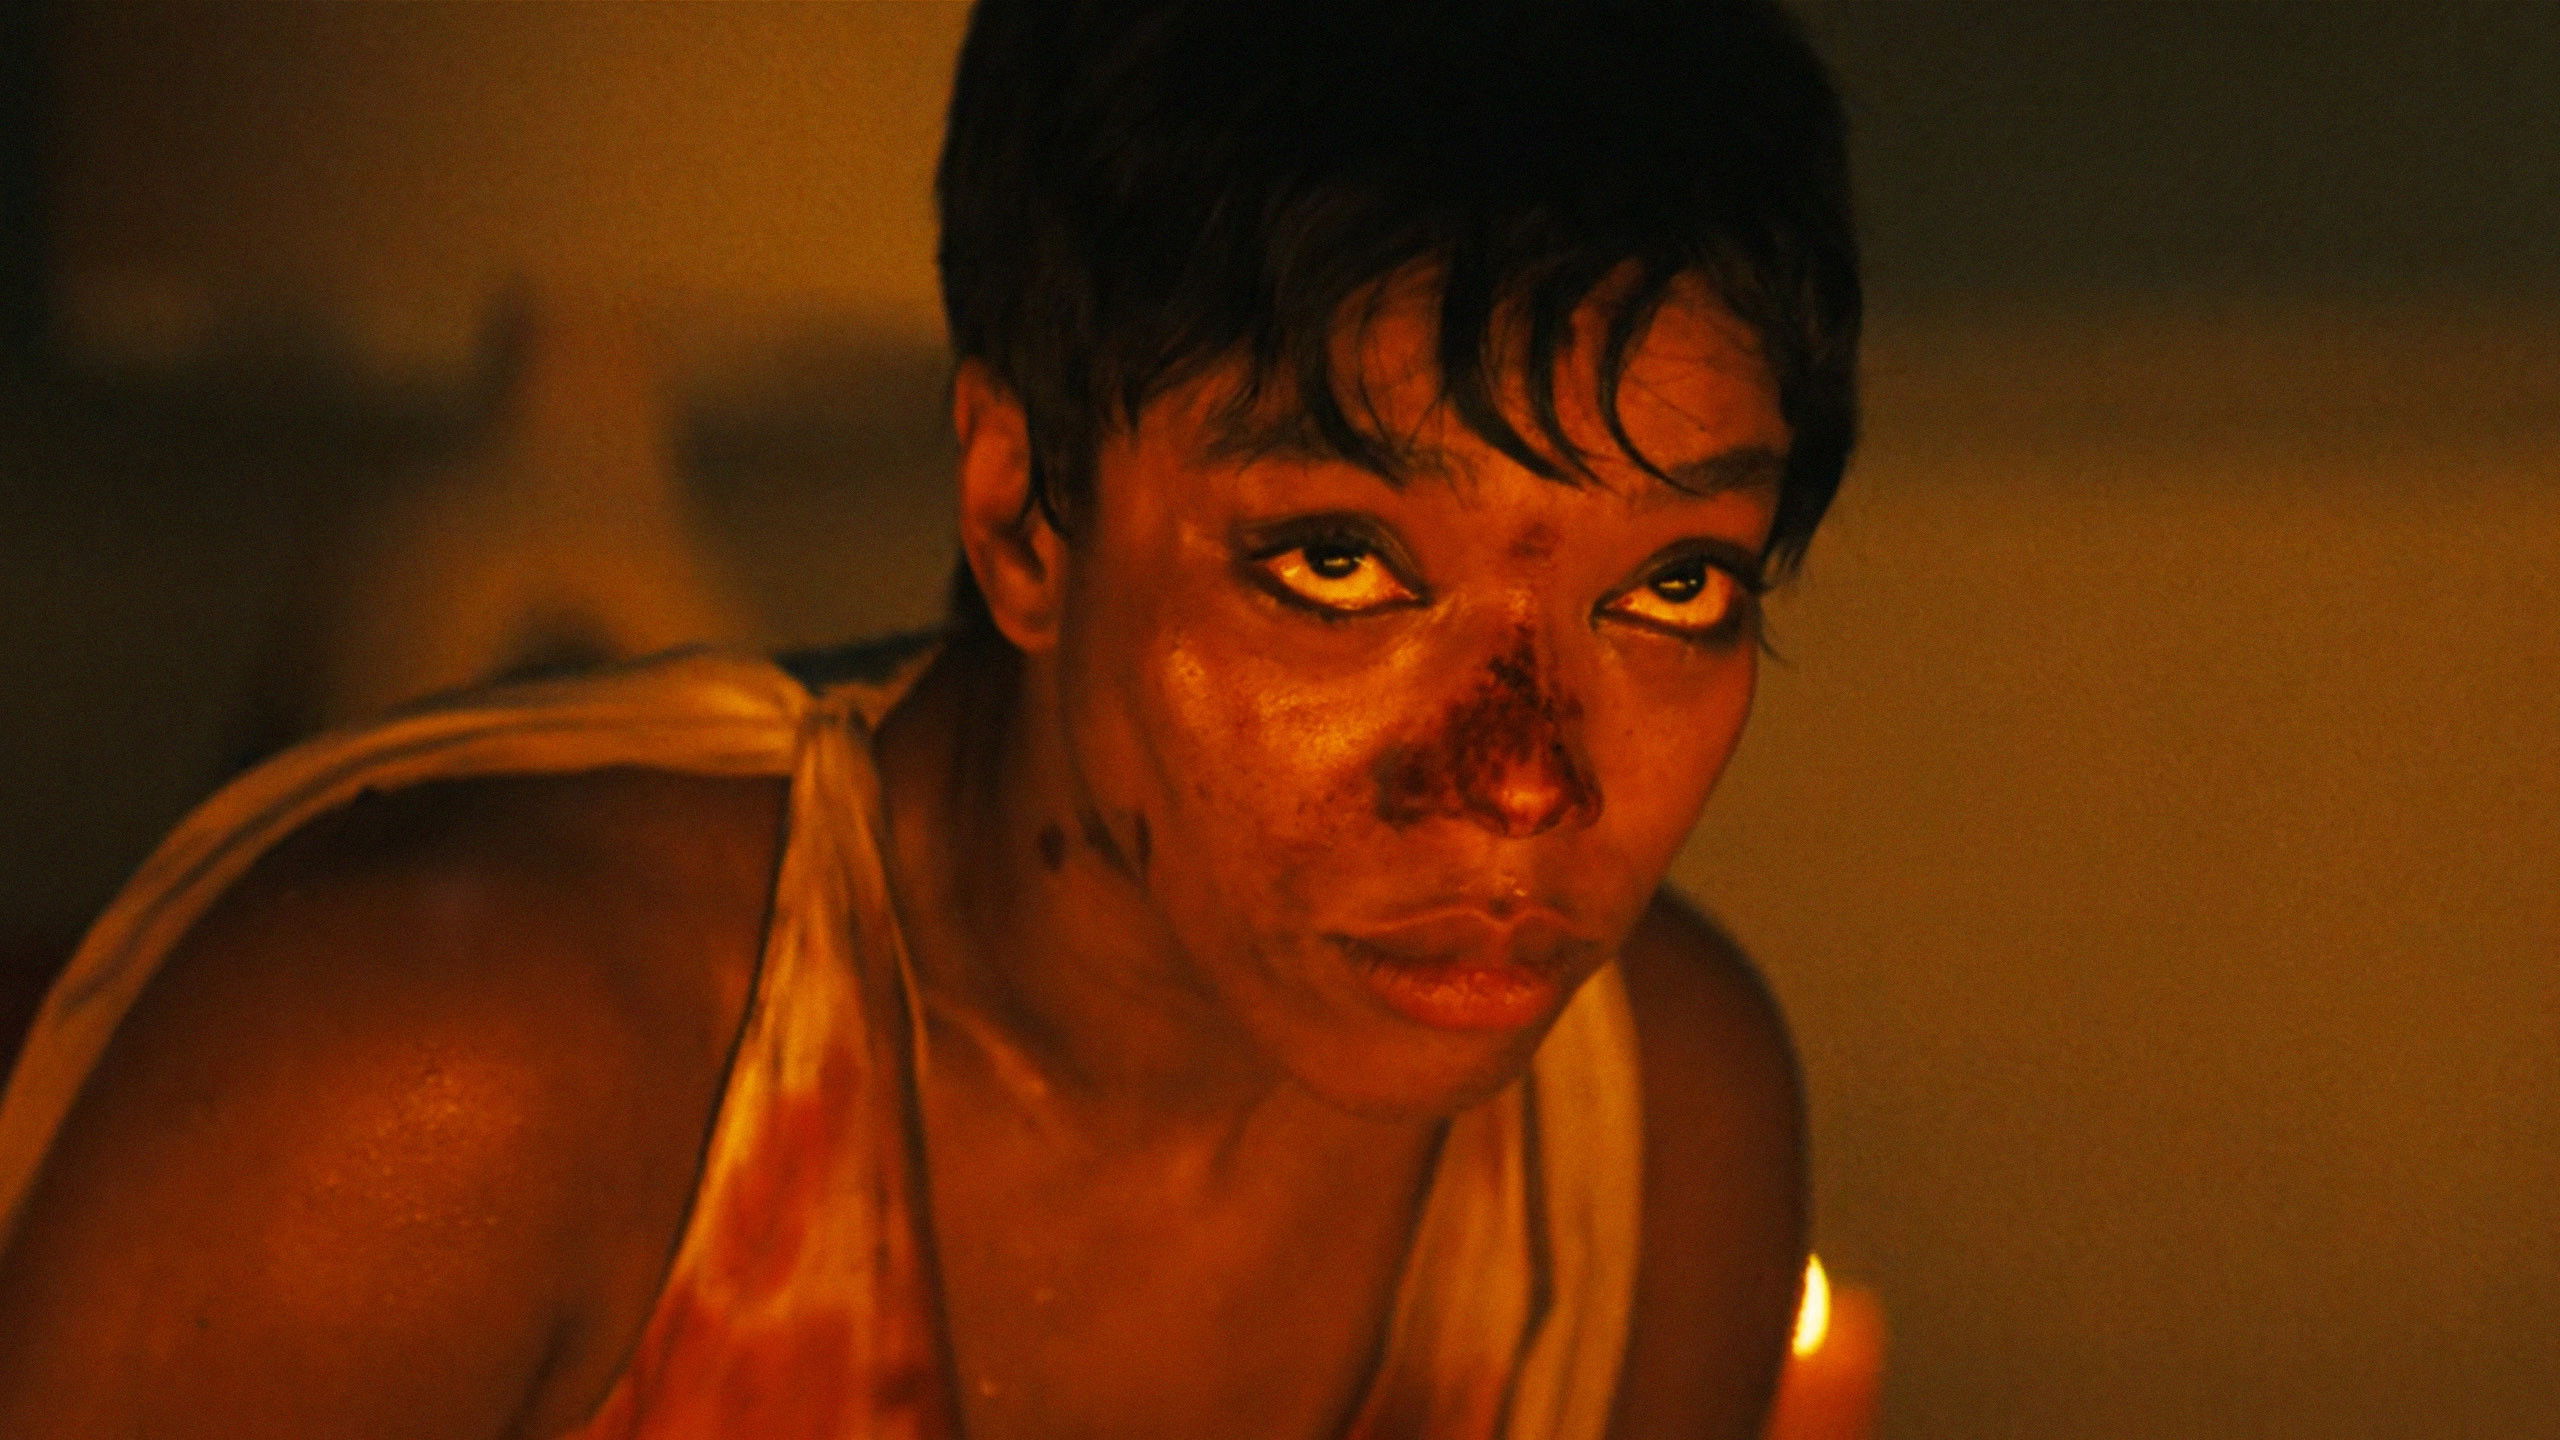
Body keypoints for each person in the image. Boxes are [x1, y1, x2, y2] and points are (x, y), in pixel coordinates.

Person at [0, 0, 1860, 1435]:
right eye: (1340, 565)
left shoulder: (1655, 1122)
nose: (1525, 785)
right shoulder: (441, 1081)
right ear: (1024, 507)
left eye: (1673, 588)